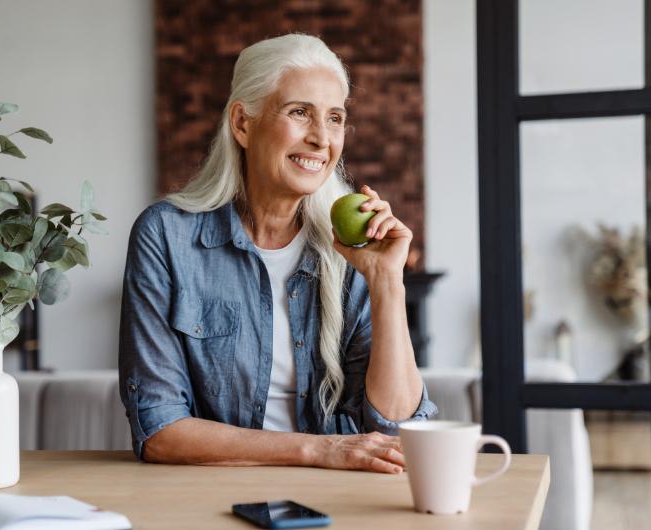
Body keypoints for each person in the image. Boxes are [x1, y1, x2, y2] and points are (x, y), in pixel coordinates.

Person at [119, 34, 436, 475]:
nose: (321, 138)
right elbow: (159, 429)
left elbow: (399, 430)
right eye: (299, 112)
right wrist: (320, 450)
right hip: (210, 496)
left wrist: (386, 280)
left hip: (343, 496)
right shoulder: (167, 236)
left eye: (335, 118)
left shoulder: (354, 248)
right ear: (242, 124)